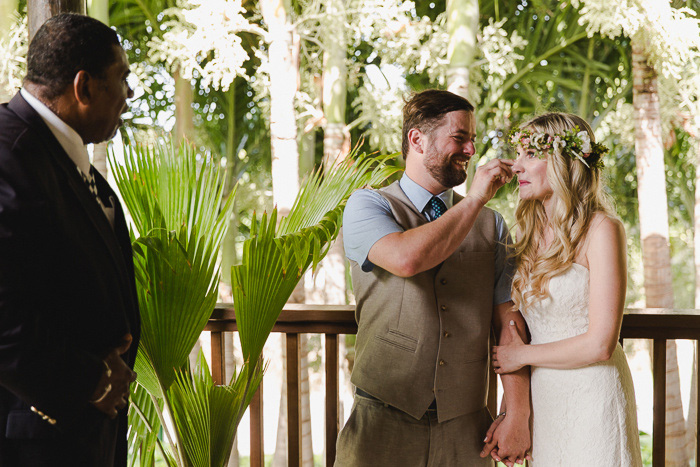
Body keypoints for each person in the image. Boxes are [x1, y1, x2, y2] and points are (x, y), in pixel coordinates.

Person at [336, 89, 531, 466]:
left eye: (473, 140)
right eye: (460, 138)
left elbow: (508, 323)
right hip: (383, 419)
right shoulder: (368, 205)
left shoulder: (492, 224)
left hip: (467, 427)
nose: (471, 150)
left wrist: (517, 413)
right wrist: (474, 200)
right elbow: (407, 259)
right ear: (417, 139)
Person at [0, 13, 140, 466]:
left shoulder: (62, 156)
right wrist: (89, 381)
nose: (129, 94)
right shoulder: (8, 155)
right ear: (83, 87)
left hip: (82, 436)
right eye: (121, 78)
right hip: (35, 438)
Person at [492, 112, 642, 466]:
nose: (516, 167)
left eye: (530, 155)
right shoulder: (526, 236)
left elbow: (601, 344)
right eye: (518, 155)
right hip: (547, 399)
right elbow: (517, 330)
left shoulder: (603, 229)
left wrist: (523, 355)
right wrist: (513, 413)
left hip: (594, 394)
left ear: (562, 161)